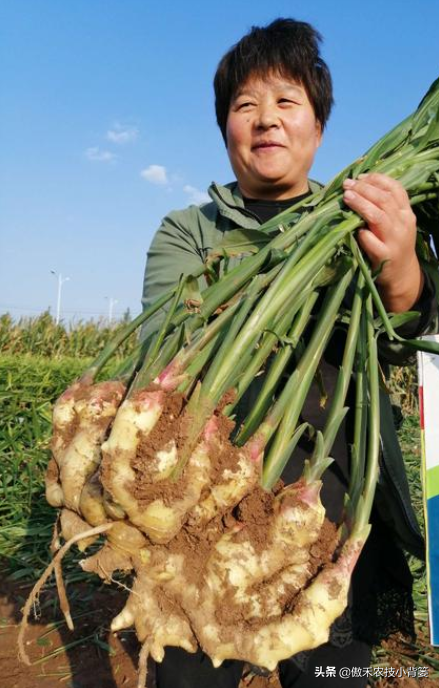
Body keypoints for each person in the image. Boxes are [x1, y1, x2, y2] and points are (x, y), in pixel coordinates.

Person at [141, 18, 439, 688]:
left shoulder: (365, 220)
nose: (266, 120)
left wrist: (395, 267)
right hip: (198, 501)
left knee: (333, 672)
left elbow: (407, 325)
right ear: (224, 128)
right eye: (245, 105)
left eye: (286, 102)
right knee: (189, 675)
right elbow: (168, 350)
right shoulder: (186, 232)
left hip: (330, 497)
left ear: (318, 128)